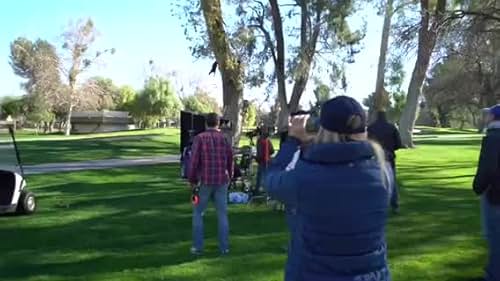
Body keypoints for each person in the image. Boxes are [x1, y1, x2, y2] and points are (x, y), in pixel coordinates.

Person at [265, 96, 393, 281]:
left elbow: (271, 181)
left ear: (322, 129)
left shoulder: (305, 177)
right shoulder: (383, 171)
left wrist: (293, 141)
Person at [188, 113, 233, 256]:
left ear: (206, 123)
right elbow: (230, 159)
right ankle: (224, 247)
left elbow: (194, 161)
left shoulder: (199, 138)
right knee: (222, 215)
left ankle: (198, 247)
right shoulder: (225, 139)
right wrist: (230, 176)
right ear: (218, 123)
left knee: (198, 213)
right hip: (221, 181)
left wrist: (192, 180)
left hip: (205, 181)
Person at [473, 104, 500, 281]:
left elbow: (487, 169)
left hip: (495, 195)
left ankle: (493, 275)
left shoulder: (492, 138)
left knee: (495, 238)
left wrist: (478, 187)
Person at [368, 111, 403, 213]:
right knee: (392, 181)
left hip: (375, 157)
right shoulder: (391, 127)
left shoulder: (371, 128)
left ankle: (376, 204)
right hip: (389, 157)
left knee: (375, 181)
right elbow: (398, 144)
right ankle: (394, 205)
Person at [255, 127, 275, 193]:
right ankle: (266, 192)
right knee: (266, 176)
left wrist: (255, 158)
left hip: (262, 162)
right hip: (268, 161)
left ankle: (259, 192)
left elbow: (260, 155)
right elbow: (272, 151)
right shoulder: (268, 140)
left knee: (260, 177)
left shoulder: (260, 141)